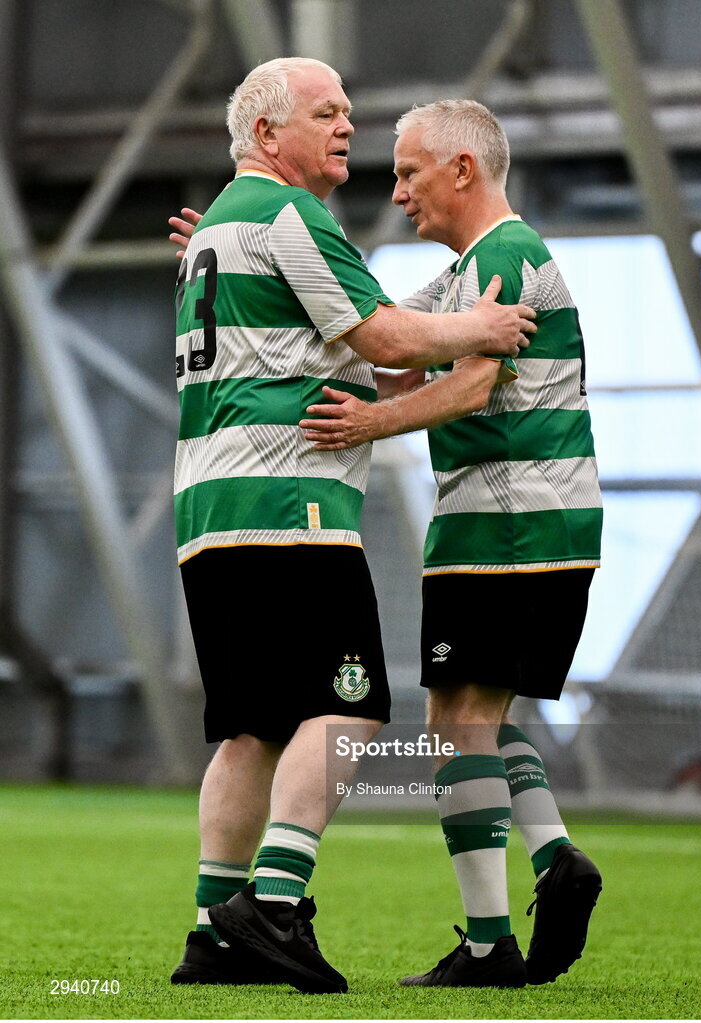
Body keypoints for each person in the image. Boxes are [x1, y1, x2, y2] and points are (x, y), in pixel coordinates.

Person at [168, 61, 536, 995]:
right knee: (351, 706)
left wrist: (426, 337)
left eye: (347, 111)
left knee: (250, 727)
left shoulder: (219, 225)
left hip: (207, 510)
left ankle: (213, 931)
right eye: (325, 112)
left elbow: (350, 335)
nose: (346, 127)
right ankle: (277, 904)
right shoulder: (290, 218)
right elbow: (386, 341)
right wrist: (486, 324)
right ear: (265, 136)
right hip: (286, 505)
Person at [300, 100, 604, 988]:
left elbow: (467, 386)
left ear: (463, 168)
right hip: (525, 523)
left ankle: (493, 935)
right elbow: (387, 345)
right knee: (464, 722)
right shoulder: (474, 268)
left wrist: (366, 426)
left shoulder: (504, 256)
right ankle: (548, 867)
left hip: (507, 523)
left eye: (408, 172)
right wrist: (243, 263)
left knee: (454, 727)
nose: (396, 192)